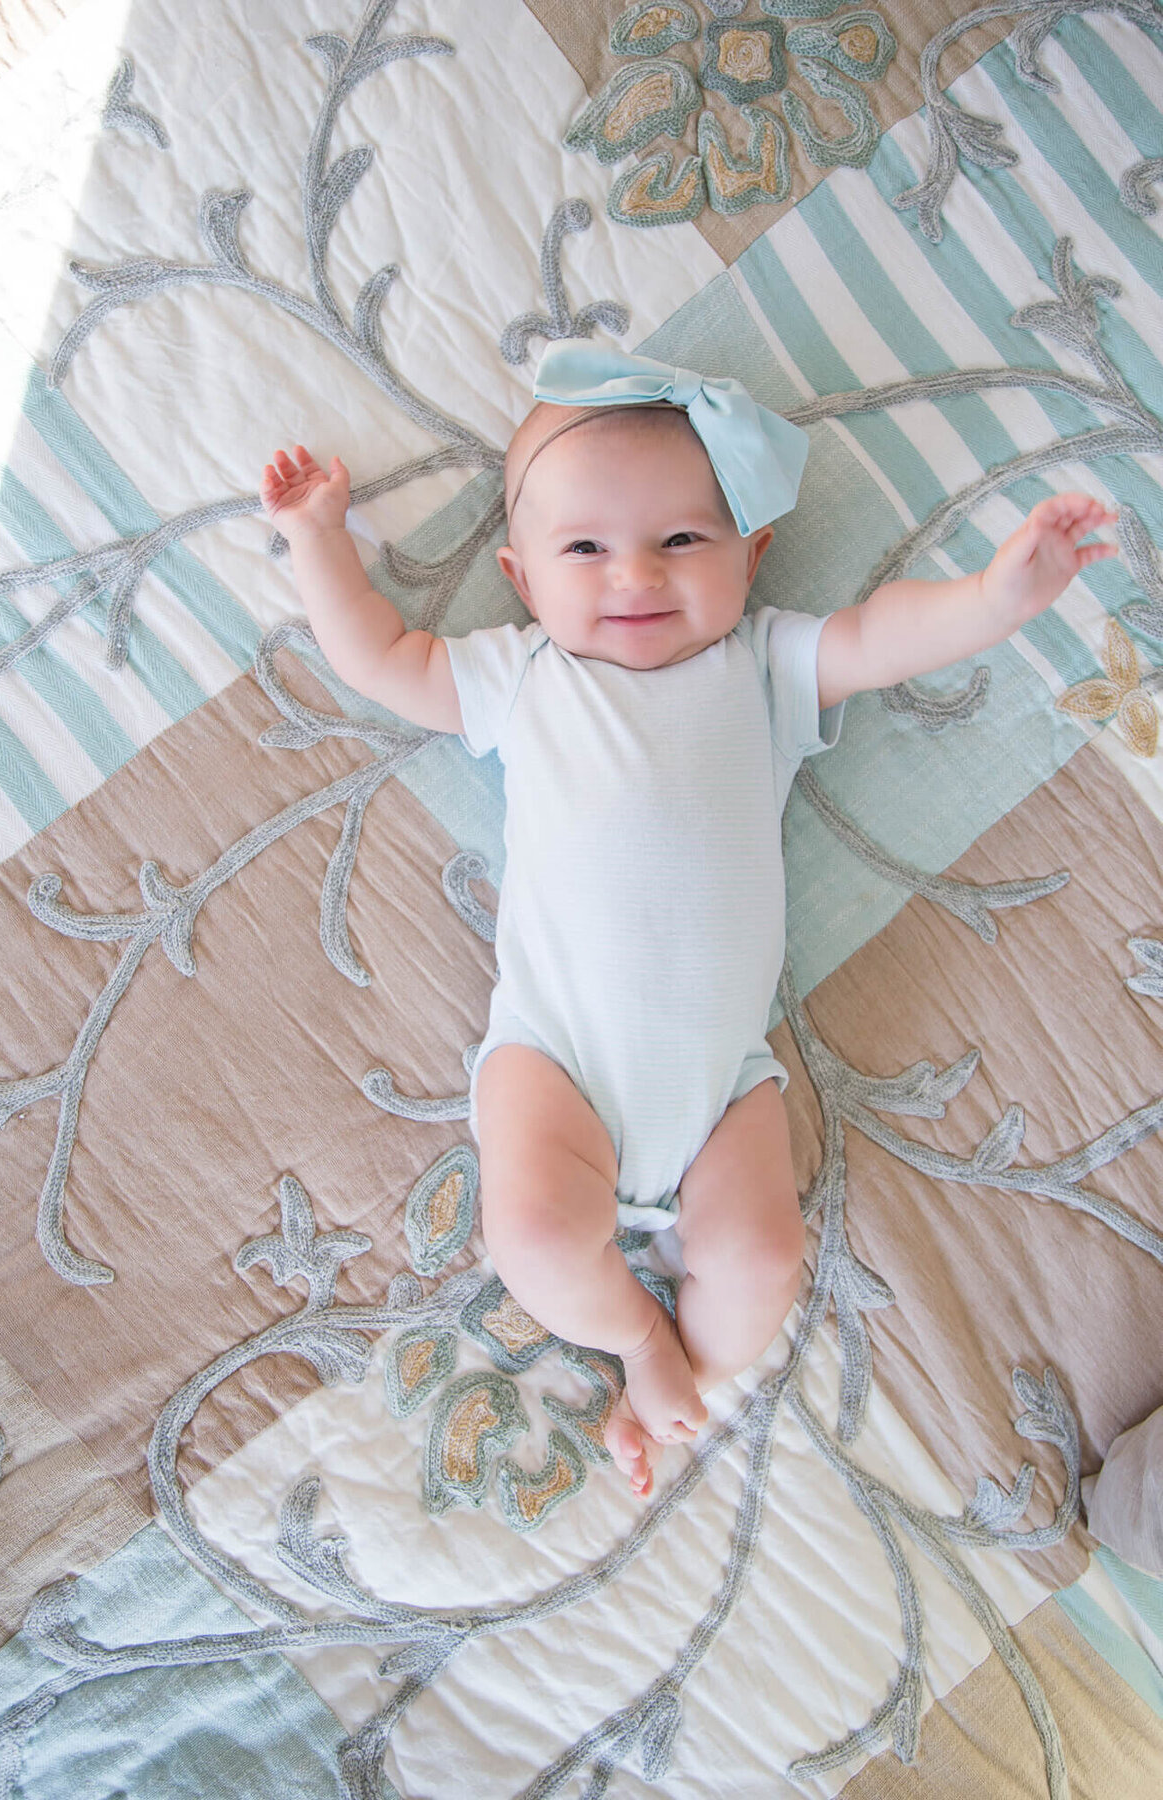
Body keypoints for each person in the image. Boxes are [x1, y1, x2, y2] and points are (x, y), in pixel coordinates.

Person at [260, 342, 1117, 1499]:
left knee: (764, 1255)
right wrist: (318, 542)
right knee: (534, 1236)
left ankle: (681, 1388)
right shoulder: (523, 678)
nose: (634, 578)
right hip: (556, 1057)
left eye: (681, 541)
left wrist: (998, 596)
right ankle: (638, 1344)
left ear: (752, 556)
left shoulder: (763, 665)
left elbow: (880, 634)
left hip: (725, 1088)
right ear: (521, 577)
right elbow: (382, 657)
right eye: (585, 550)